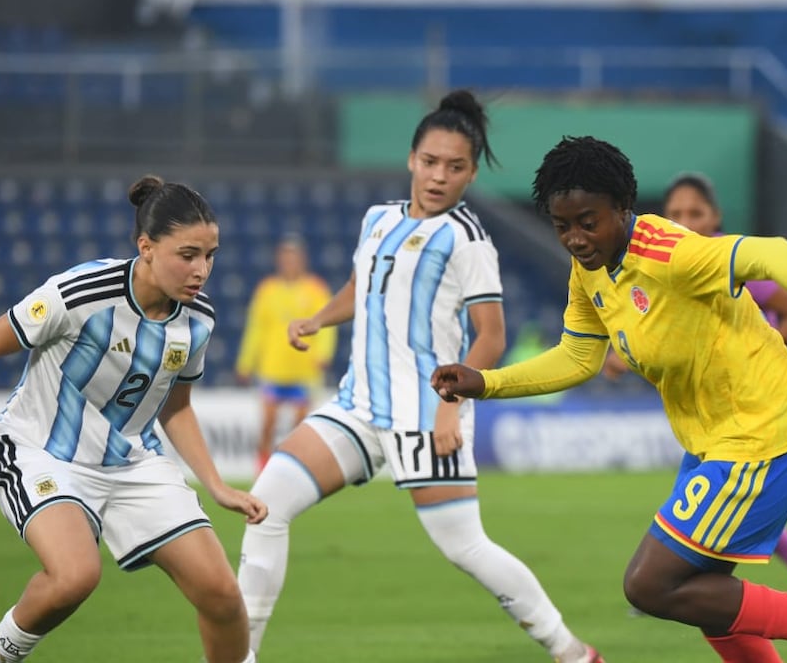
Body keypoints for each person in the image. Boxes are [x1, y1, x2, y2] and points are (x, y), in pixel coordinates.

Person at [431, 136, 787, 663]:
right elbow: (578, 357)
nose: (574, 238)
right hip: (714, 441)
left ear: (623, 209)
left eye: (587, 221)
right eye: (562, 224)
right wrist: (485, 382)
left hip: (768, 431)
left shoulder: (671, 254)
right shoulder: (590, 269)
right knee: (703, 596)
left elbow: (771, 253)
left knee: (650, 585)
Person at [236, 91, 603, 663]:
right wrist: (317, 317)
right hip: (357, 408)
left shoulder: (467, 240)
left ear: (470, 173)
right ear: (411, 159)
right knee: (266, 504)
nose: (439, 176)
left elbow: (491, 336)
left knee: (465, 547)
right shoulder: (378, 219)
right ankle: (240, 657)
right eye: (430, 162)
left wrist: (449, 408)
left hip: (424, 415)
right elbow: (365, 286)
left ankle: (572, 652)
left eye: (454, 167)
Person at [0, 175, 268, 663]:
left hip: (132, 463)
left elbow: (175, 407)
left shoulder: (197, 319)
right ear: (146, 247)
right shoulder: (81, 292)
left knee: (223, 597)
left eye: (210, 255)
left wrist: (216, 485)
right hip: (41, 452)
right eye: (188, 255)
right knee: (75, 577)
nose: (201, 269)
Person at [607, 172, 787, 604]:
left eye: (695, 212)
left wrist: (761, 358)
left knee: (714, 525)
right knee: (714, 531)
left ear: (716, 217)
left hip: (755, 413)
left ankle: (665, 579)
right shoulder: (661, 264)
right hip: (709, 417)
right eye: (675, 213)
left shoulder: (728, 258)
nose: (685, 221)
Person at [235, 235, 337, 473]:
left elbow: (326, 324)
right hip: (273, 368)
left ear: (302, 260)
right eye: (285, 258)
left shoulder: (316, 289)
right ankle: (262, 467)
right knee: (268, 423)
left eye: (294, 258)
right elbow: (256, 328)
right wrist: (246, 362)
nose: (289, 263)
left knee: (300, 425)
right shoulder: (267, 289)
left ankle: (291, 468)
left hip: (304, 368)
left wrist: (323, 353)